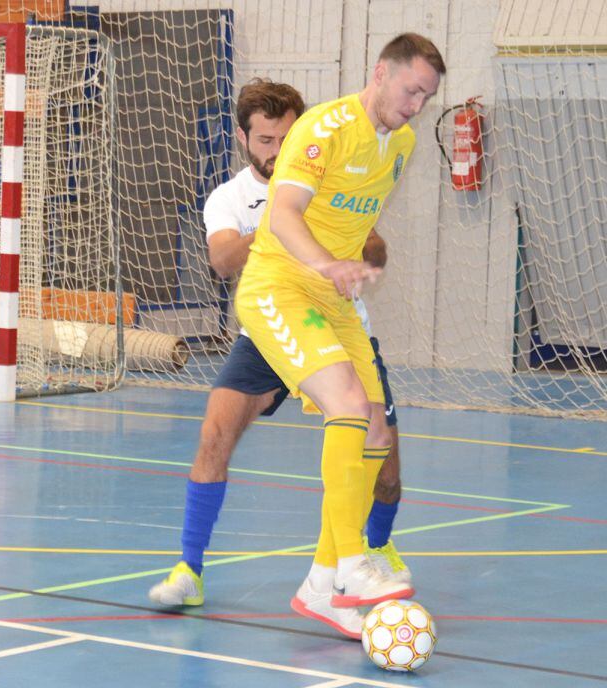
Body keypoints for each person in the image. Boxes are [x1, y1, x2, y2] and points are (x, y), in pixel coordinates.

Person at [148, 80, 410, 634]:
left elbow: (376, 249)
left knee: (384, 466)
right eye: (266, 139)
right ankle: (189, 568)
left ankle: (370, 555)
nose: (277, 149)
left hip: (337, 324)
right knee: (214, 434)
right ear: (244, 138)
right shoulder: (230, 196)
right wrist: (282, 224)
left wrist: (346, 236)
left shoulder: (325, 170)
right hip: (269, 328)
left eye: (286, 137)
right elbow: (221, 260)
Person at [234, 33, 445, 637]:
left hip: (336, 301)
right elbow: (283, 214)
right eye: (410, 91)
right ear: (380, 73)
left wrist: (347, 267)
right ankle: (352, 561)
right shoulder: (324, 129)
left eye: (426, 98)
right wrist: (326, 263)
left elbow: (354, 219)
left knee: (377, 427)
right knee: (348, 408)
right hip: (280, 285)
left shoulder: (401, 144)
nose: (415, 106)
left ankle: (322, 582)